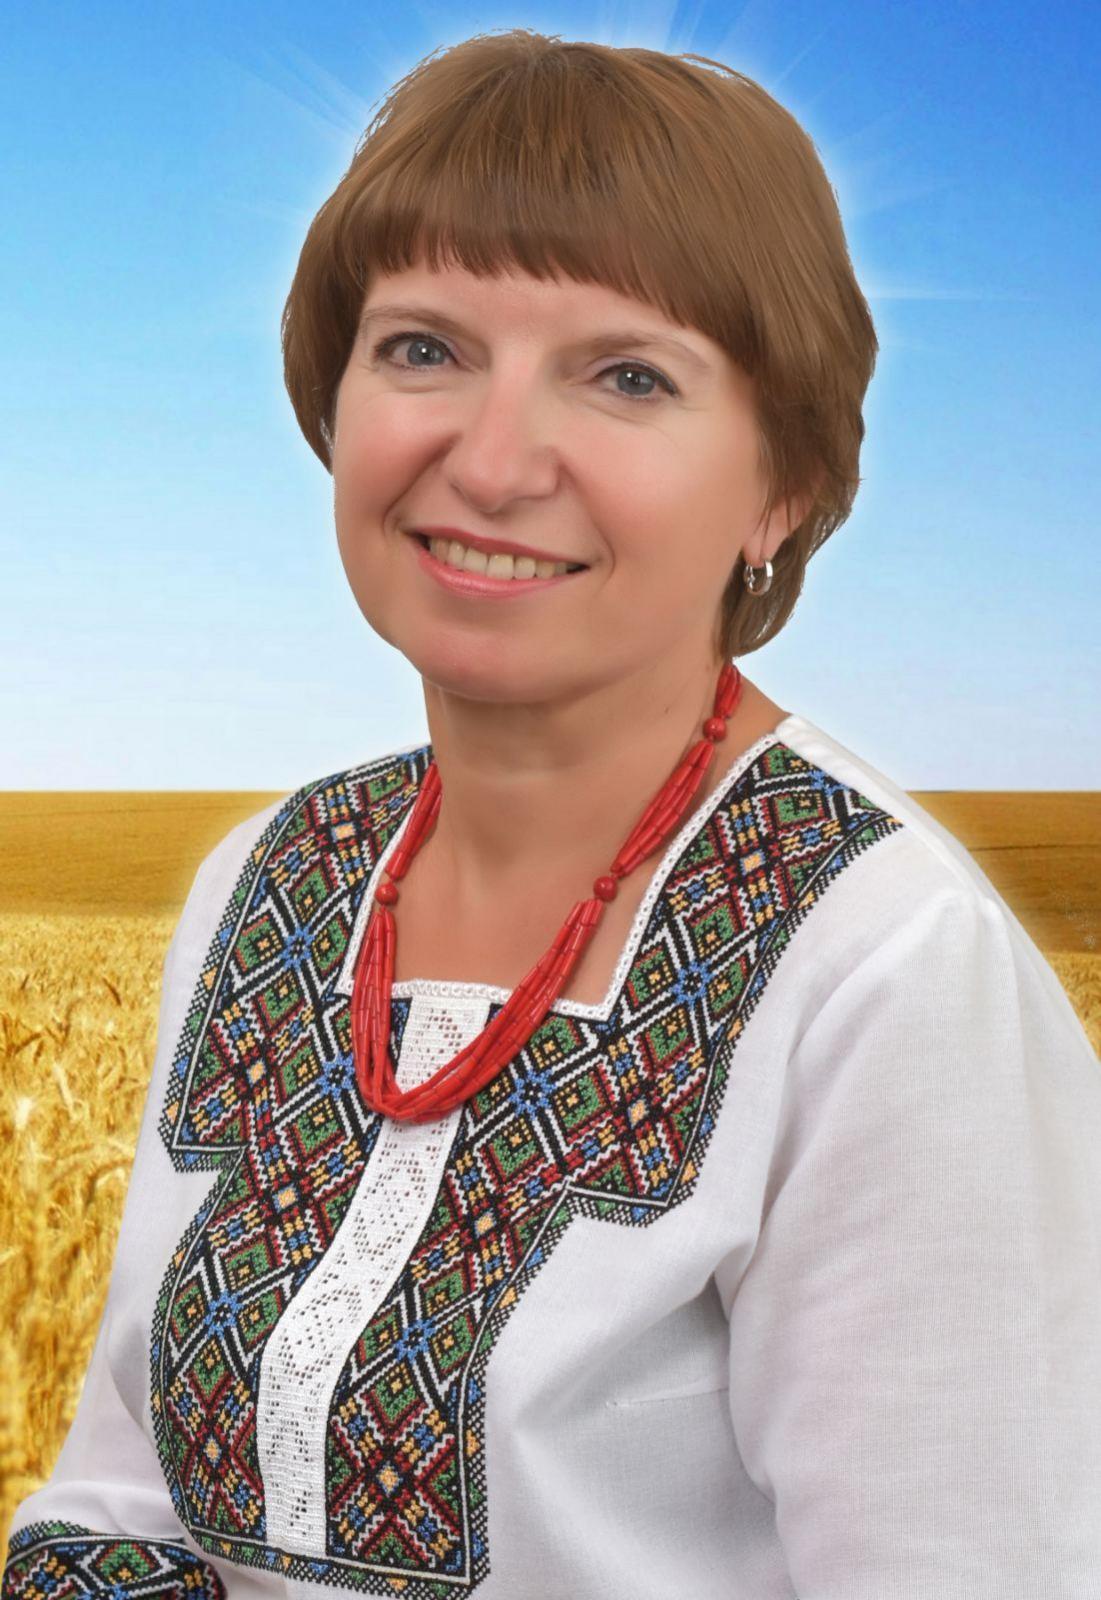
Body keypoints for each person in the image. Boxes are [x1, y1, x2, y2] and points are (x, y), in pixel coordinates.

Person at [5, 28, 1099, 1600]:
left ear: (782, 483)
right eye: (424, 349)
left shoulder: (882, 968)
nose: (496, 459)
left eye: (626, 375)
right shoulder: (275, 884)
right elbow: (128, 1497)